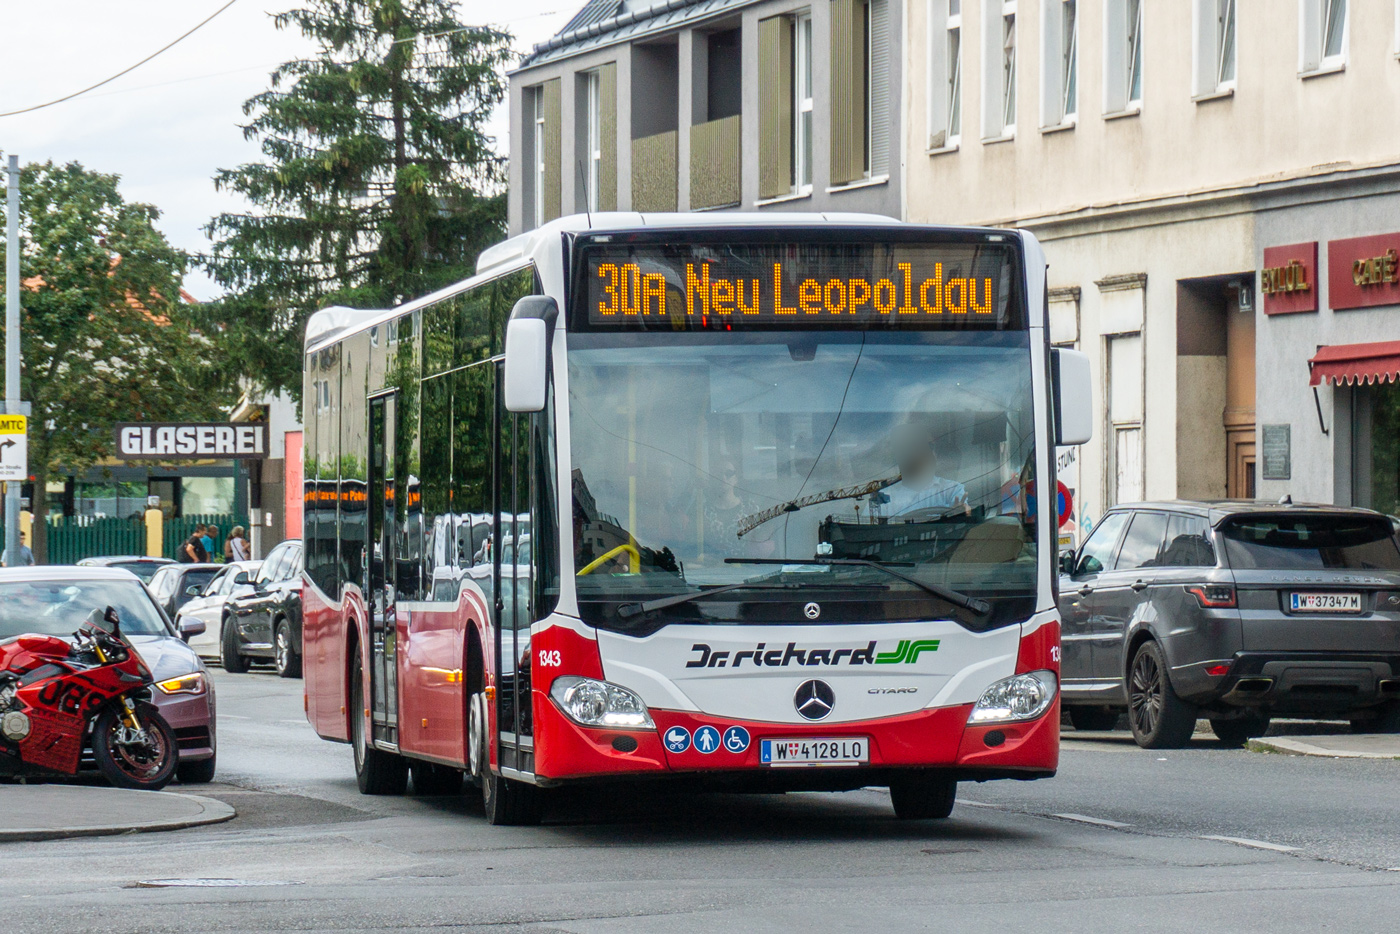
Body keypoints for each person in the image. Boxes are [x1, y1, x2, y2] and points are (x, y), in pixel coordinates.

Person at [880, 424, 971, 519]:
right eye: (908, 449)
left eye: (930, 447)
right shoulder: (883, 497)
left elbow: (963, 509)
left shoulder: (952, 490)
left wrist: (961, 513)